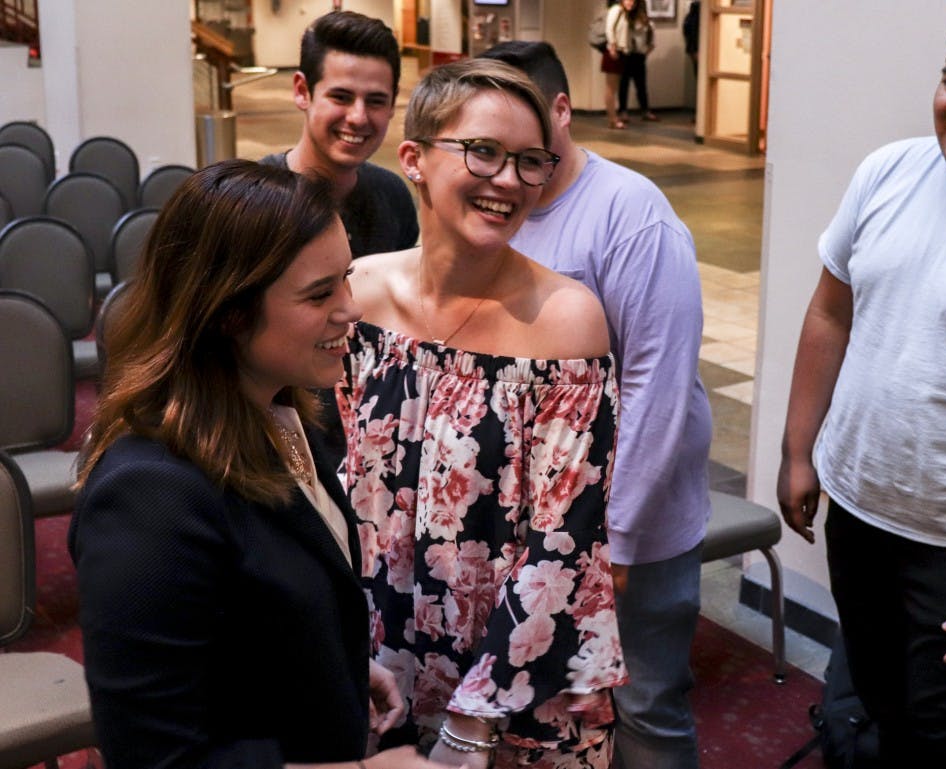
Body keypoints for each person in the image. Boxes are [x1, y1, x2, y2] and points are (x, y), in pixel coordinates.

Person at [69, 160, 452, 769]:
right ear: (230, 311)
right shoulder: (147, 496)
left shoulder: (282, 409)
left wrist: (341, 662)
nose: (351, 308)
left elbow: (266, 604)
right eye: (320, 293)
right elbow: (156, 757)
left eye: (346, 279)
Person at [336, 59, 627, 769]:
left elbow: (565, 539)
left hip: (520, 665)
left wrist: (475, 718)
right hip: (380, 649)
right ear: (413, 158)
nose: (509, 180)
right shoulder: (360, 294)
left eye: (531, 161)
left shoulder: (566, 319)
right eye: (483, 151)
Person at [777, 2, 946, 766]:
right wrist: (799, 450)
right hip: (864, 511)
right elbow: (830, 312)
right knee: (873, 709)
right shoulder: (889, 171)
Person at [479, 41, 712, 769]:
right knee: (537, 707)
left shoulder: (629, 212)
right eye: (491, 141)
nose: (510, 161)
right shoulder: (497, 205)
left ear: (561, 110)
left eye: (528, 135)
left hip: (628, 527)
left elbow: (658, 384)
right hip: (531, 516)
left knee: (641, 706)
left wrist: (611, 540)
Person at [259, 10, 418, 259]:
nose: (358, 117)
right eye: (340, 97)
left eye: (376, 101)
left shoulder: (393, 197)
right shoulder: (255, 204)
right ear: (302, 91)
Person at [609, 0, 657, 123]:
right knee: (623, 84)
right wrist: (614, 46)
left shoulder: (647, 23)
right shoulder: (624, 16)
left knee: (641, 84)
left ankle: (645, 110)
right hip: (626, 54)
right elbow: (612, 30)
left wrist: (645, 52)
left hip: (639, 55)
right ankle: (623, 110)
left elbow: (652, 41)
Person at [602, 0, 627, 129]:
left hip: (620, 51)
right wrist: (612, 46)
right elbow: (609, 29)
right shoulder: (616, 10)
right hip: (614, 52)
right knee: (611, 87)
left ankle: (613, 118)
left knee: (614, 87)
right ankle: (612, 118)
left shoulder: (625, 13)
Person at [682, 1, 700, 78]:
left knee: (697, 72)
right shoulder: (695, 18)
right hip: (696, 48)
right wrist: (695, 50)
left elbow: (686, 34)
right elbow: (693, 35)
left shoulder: (688, 18)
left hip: (692, 48)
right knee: (699, 73)